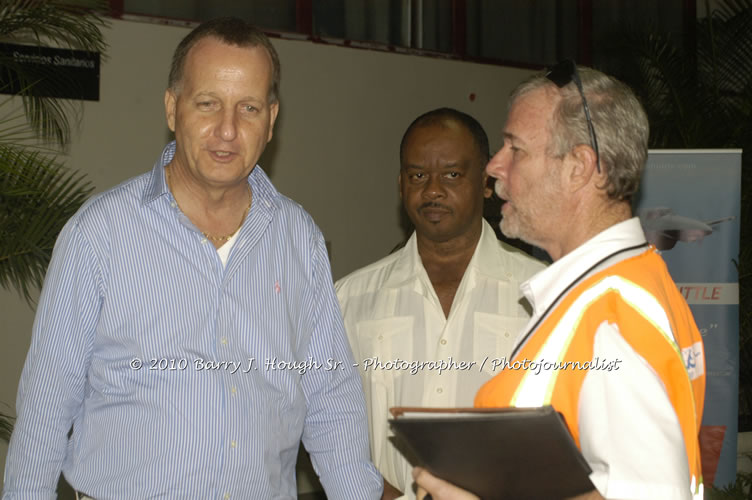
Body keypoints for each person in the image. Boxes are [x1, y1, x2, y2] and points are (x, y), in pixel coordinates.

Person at [2, 18, 382, 499]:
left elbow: (330, 399)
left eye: (248, 108)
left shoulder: (298, 239)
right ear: (172, 108)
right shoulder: (99, 235)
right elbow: (46, 408)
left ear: (271, 120)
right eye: (208, 104)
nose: (227, 129)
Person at [413, 62, 706, 500]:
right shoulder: (616, 291)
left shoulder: (612, 315)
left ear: (579, 167)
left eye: (516, 149)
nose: (494, 166)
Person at [335, 108, 544, 499]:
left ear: (486, 182)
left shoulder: (541, 293)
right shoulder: (350, 299)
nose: (432, 190)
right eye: (417, 175)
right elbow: (327, 424)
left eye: (451, 174)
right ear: (400, 185)